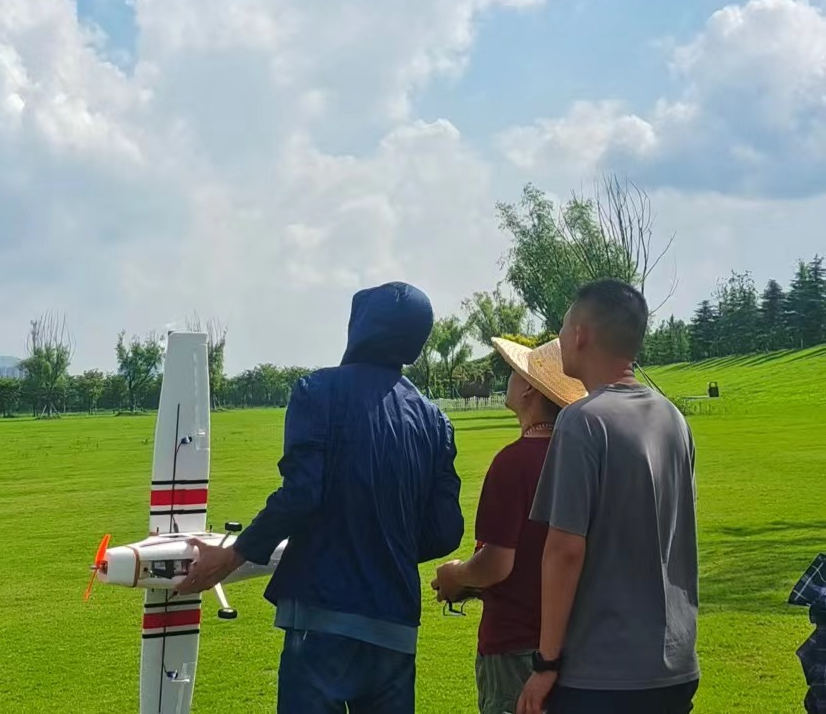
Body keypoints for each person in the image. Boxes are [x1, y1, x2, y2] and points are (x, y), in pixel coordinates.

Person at [178, 281, 464, 713]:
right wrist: (386, 544)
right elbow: (445, 532)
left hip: (322, 615)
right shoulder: (435, 421)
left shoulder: (317, 391)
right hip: (396, 626)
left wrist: (234, 554)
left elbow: (302, 495)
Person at [516, 279, 700, 714]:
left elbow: (564, 551)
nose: (560, 338)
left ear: (580, 334)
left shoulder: (582, 421)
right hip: (674, 665)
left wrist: (546, 662)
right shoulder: (673, 418)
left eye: (563, 327)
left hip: (603, 675)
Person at [431, 337, 587, 714]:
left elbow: (497, 565)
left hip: (516, 647)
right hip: (577, 646)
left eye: (515, 372)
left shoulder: (513, 463)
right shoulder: (583, 458)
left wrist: (455, 576)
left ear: (530, 389)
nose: (509, 379)